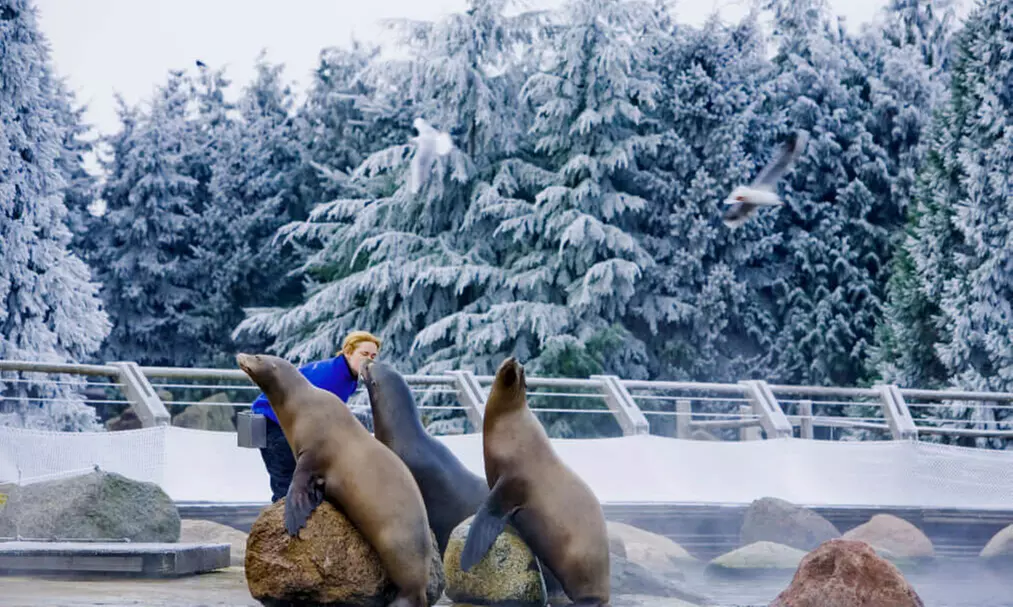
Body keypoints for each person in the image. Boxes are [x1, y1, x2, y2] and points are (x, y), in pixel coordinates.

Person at [251, 330, 381, 502]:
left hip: (287, 423)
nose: (369, 360)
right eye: (363, 354)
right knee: (287, 484)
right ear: (348, 352)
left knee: (300, 482)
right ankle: (282, 525)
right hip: (273, 422)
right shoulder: (332, 377)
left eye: (373, 355)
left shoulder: (347, 375)